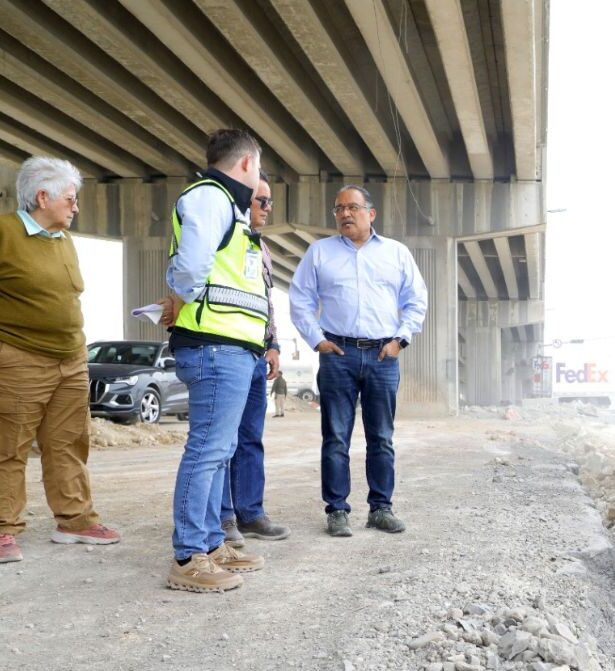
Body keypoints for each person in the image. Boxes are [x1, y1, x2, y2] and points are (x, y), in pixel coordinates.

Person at [0, 157, 121, 563]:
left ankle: (75, 520)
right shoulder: (5, 232)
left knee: (68, 443)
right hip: (19, 358)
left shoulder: (63, 240)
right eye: (70, 199)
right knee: (8, 446)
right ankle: (2, 528)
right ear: (42, 197)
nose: (75, 207)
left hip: (71, 359)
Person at [163, 129, 268, 592]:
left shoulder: (229, 206)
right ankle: (188, 556)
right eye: (260, 167)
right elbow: (191, 265)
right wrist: (179, 296)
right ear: (247, 164)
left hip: (232, 344)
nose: (259, 176)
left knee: (220, 451)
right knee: (207, 450)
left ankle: (209, 542)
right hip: (213, 343)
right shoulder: (211, 196)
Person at [290, 185, 428, 538]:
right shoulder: (320, 253)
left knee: (381, 436)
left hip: (384, 355)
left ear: (371, 213)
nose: (345, 214)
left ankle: (381, 508)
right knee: (336, 436)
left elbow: (416, 299)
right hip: (338, 354)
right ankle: (337, 510)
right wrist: (317, 340)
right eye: (339, 209)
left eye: (352, 207)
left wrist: (401, 339)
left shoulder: (396, 253)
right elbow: (300, 298)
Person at [219, 172, 289, 546]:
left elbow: (265, 301)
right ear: (244, 199)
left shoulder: (260, 246)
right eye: (262, 200)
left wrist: (274, 344)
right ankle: (224, 518)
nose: (268, 208)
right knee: (223, 441)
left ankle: (250, 512)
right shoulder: (223, 236)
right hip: (229, 350)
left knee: (250, 438)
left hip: (256, 353)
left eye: (270, 201)